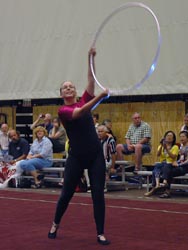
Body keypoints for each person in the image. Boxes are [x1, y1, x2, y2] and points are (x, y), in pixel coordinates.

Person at [48, 48, 110, 245]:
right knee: (66, 194)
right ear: (61, 93)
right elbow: (82, 111)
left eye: (71, 86)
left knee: (98, 194)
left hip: (95, 156)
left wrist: (89, 58)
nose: (69, 88)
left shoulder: (83, 99)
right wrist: (99, 97)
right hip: (76, 157)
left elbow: (90, 79)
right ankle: (55, 224)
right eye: (65, 87)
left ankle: (100, 233)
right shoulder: (63, 110)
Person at [144, 130, 179, 197]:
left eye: (171, 136)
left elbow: (173, 156)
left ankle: (160, 185)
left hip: (171, 164)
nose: (169, 137)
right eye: (167, 135)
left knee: (166, 165)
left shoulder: (175, 147)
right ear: (165, 137)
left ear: (173, 138)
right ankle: (157, 184)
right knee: (157, 166)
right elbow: (158, 154)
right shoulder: (161, 146)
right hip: (162, 163)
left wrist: (167, 149)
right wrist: (161, 146)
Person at [159, 130, 188, 198]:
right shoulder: (180, 147)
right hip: (179, 165)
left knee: (168, 171)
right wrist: (176, 162)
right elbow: (180, 159)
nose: (181, 138)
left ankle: (166, 188)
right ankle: (165, 184)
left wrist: (179, 164)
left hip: (185, 167)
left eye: (183, 136)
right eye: (180, 136)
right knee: (168, 165)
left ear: (187, 138)